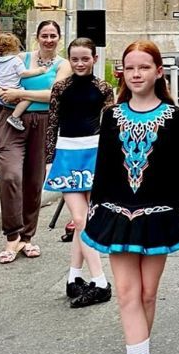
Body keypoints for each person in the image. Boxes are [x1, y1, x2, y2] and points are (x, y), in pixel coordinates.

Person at [82, 40, 179, 354]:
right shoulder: (111, 116)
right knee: (128, 295)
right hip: (117, 214)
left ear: (158, 72)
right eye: (129, 68)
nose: (136, 74)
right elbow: (104, 170)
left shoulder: (176, 117)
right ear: (122, 73)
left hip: (160, 215)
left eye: (144, 67)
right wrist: (95, 210)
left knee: (148, 294)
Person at [0, 20, 73, 264]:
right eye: (44, 35)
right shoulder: (20, 58)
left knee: (34, 181)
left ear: (58, 38)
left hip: (43, 123)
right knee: (10, 176)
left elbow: (55, 95)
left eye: (53, 35)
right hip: (11, 121)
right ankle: (12, 235)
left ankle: (27, 237)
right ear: (37, 37)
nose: (48, 39)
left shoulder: (62, 65)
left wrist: (20, 94)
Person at [44, 37, 114, 307]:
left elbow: (109, 127)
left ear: (95, 59)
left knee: (83, 221)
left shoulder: (104, 88)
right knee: (80, 218)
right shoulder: (60, 88)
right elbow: (52, 125)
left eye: (85, 58)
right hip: (65, 156)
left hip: (95, 155)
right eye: (75, 59)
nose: (80, 63)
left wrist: (111, 161)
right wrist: (50, 160)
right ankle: (100, 281)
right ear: (69, 60)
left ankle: (74, 277)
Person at [0, 33, 51, 131]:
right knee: (28, 97)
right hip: (13, 88)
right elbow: (23, 73)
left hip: (1, 89)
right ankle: (15, 117)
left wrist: (0, 93)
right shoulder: (16, 60)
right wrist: (39, 71)